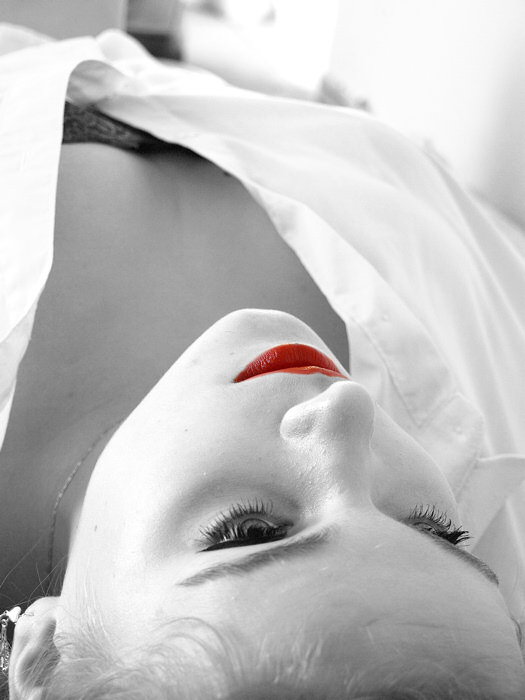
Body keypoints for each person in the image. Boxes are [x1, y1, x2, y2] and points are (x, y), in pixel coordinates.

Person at [0, 19, 524, 700]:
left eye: (250, 531)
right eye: (436, 531)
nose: (346, 413)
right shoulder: (493, 413)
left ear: (46, 656)